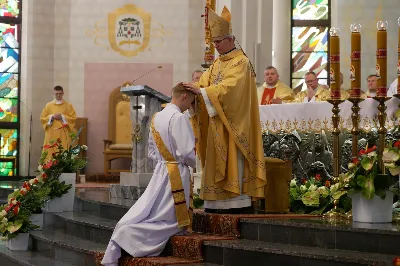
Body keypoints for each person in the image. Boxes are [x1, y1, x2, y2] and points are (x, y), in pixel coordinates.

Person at [101, 84, 196, 265]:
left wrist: (163, 161)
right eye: (191, 101)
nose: (190, 106)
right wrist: (196, 164)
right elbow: (186, 152)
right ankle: (129, 238)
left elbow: (151, 151)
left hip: (161, 170)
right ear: (184, 96)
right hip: (177, 171)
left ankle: (125, 232)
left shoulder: (157, 117)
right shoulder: (179, 118)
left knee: (154, 210)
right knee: (169, 220)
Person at [183, 6, 266, 214]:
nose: (216, 46)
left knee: (233, 162)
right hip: (215, 126)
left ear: (230, 39)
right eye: (214, 42)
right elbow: (203, 85)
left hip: (233, 126)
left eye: (219, 42)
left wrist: (203, 91)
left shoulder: (242, 62)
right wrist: (192, 94)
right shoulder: (216, 65)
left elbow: (231, 90)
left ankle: (236, 201)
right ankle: (215, 202)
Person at [40, 86, 76, 159]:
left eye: (60, 93)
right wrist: (52, 117)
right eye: (56, 94)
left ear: (63, 93)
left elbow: (73, 118)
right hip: (51, 133)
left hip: (63, 133)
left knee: (63, 149)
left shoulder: (68, 106)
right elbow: (42, 118)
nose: (58, 95)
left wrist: (62, 117)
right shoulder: (48, 105)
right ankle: (49, 168)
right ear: (53, 94)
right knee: (50, 152)